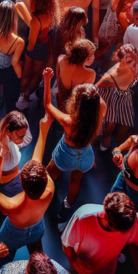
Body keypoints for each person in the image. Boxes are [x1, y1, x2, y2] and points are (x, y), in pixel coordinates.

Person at [0, 111, 54, 264]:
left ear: (21, 183)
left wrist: (0, 156)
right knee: (38, 253)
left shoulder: (11, 205)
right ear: (44, 180)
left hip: (13, 234)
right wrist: (43, 132)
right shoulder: (50, 190)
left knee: (4, 258)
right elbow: (38, 162)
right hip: (38, 228)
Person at [44, 66, 106, 218]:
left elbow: (48, 105)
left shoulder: (68, 121)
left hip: (66, 154)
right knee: (75, 182)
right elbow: (98, 101)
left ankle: (44, 199)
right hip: (86, 155)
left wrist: (47, 81)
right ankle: (67, 208)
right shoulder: (100, 112)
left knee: (50, 174)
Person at [61, 191, 138, 274]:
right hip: (80, 272)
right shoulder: (82, 217)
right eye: (118, 230)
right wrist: (75, 263)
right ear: (106, 216)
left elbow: (137, 245)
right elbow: (66, 243)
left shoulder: (135, 221)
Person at [96, 44, 138, 149]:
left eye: (131, 61)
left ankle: (109, 138)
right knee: (106, 120)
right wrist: (113, 84)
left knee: (116, 122)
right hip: (108, 93)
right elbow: (98, 84)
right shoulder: (113, 71)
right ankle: (102, 137)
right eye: (125, 62)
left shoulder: (134, 65)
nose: (130, 64)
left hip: (122, 96)